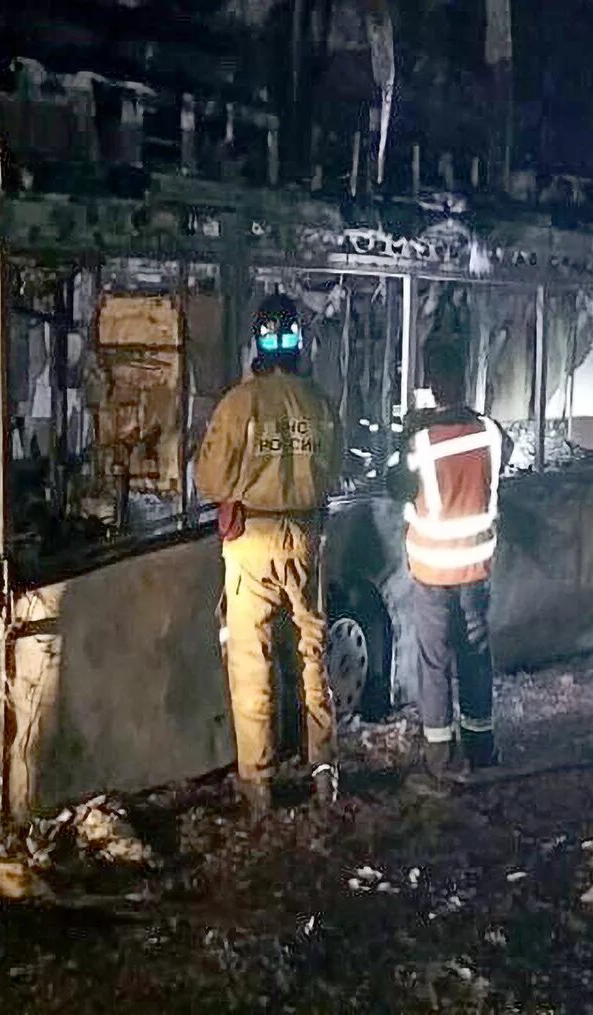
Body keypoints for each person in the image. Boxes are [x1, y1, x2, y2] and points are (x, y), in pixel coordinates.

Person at [194, 293, 343, 818]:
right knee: (311, 651)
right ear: (300, 344)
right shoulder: (319, 403)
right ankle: (324, 769)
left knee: (251, 659)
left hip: (251, 543)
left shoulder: (239, 403)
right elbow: (335, 468)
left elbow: (209, 479)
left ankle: (258, 785)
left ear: (256, 342)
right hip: (306, 537)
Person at [389, 342, 510, 793]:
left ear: (431, 388)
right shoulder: (491, 433)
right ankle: (482, 748)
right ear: (465, 382)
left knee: (435, 661)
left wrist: (411, 431)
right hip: (476, 570)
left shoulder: (420, 443)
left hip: (433, 573)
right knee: (476, 656)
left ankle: (441, 758)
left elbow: (395, 485)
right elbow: (503, 452)